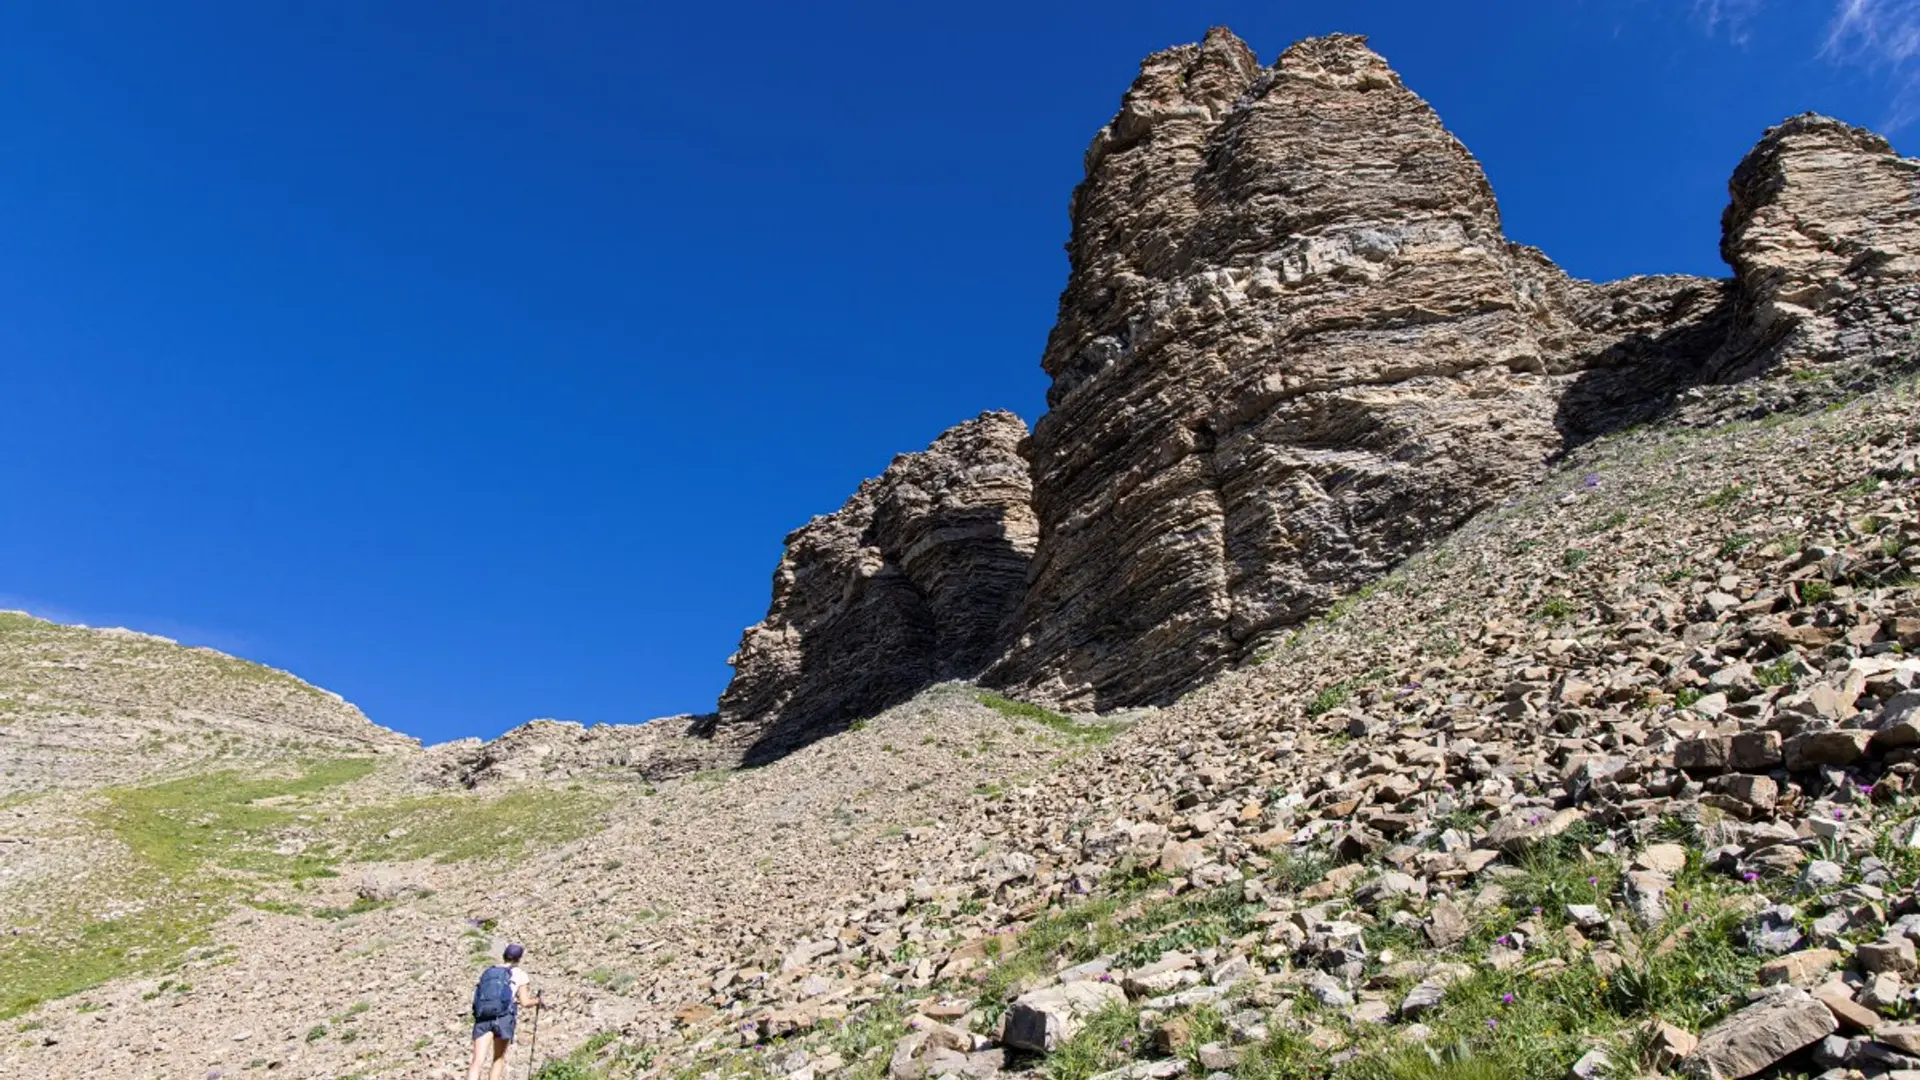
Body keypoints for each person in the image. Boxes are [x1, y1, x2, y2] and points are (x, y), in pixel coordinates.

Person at [466, 942, 539, 1080]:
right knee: (498, 1058)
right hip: (503, 1018)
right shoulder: (520, 974)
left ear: (504, 955)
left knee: (477, 1061)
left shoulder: (489, 971)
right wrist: (538, 1001)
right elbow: (525, 1002)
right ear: (519, 958)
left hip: (483, 1018)